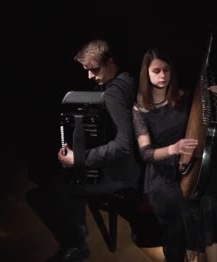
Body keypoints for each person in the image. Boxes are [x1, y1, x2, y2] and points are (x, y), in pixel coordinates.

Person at [26, 39, 141, 261]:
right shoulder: (127, 79)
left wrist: (80, 158)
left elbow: (124, 145)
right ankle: (79, 227)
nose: (90, 76)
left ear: (110, 62)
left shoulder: (113, 94)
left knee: (41, 195)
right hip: (129, 168)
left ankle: (76, 245)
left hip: (120, 174)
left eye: (94, 69)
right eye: (86, 70)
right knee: (67, 175)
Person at [132, 47, 217, 262]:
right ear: (146, 73)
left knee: (207, 203)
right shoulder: (140, 108)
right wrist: (173, 149)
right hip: (162, 176)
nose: (162, 76)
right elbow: (146, 153)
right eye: (156, 71)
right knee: (184, 211)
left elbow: (215, 124)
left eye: (166, 70)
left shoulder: (183, 96)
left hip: (191, 168)